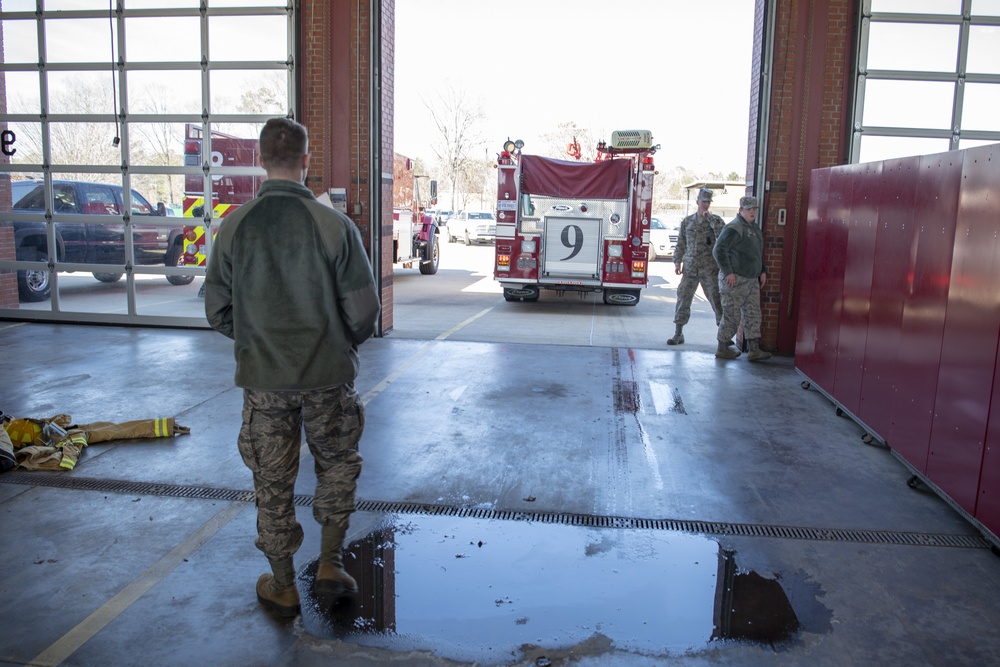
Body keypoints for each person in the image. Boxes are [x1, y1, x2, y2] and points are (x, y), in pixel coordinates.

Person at [204, 117, 381, 618]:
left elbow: (217, 310)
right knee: (337, 465)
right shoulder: (334, 226)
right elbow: (365, 312)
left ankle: (282, 585)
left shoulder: (235, 225)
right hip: (328, 376)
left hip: (264, 382)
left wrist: (260, 338)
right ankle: (330, 564)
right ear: (307, 161)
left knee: (272, 480)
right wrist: (334, 340)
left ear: (261, 159)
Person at [712, 195, 771, 361]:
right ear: (741, 210)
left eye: (754, 209)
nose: (752, 212)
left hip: (752, 279)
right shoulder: (734, 228)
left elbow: (756, 253)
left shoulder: (754, 228)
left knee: (753, 314)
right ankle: (722, 347)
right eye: (749, 209)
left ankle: (754, 349)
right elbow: (719, 251)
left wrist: (762, 270)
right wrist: (728, 272)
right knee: (731, 314)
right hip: (735, 279)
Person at [667, 187, 725, 345]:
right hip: (691, 268)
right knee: (683, 299)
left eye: (708, 202)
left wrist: (711, 220)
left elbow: (723, 239)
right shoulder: (688, 221)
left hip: (709, 269)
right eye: (703, 201)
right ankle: (678, 333)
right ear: (697, 201)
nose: (705, 204)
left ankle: (723, 339)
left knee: (716, 300)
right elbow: (681, 243)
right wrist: (677, 261)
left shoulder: (716, 221)